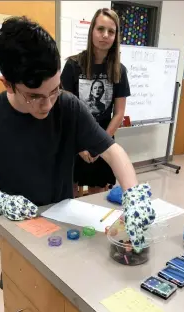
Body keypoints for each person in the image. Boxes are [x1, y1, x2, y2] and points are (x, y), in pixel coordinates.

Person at [0, 16, 155, 288]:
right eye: (35, 96)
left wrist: (133, 193)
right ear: (7, 83)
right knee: (20, 284)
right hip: (15, 224)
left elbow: (111, 150)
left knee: (60, 286)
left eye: (54, 91)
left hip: (62, 217)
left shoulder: (68, 106)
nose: (48, 104)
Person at [61, 8, 130, 196]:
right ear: (92, 30)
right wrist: (81, 145)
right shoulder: (73, 65)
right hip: (74, 140)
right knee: (71, 193)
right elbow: (66, 111)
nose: (105, 35)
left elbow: (118, 113)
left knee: (97, 194)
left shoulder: (119, 71)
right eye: (100, 29)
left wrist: (100, 144)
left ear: (116, 36)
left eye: (111, 31)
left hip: (104, 138)